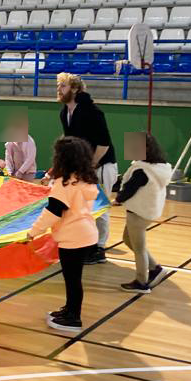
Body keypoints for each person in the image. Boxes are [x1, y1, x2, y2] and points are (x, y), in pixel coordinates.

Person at [28, 136, 100, 332]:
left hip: (73, 237)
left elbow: (53, 211)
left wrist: (33, 232)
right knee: (73, 278)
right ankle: (69, 310)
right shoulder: (85, 180)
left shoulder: (64, 183)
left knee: (72, 279)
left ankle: (73, 318)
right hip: (86, 234)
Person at [54, 73, 117, 265]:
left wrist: (91, 166)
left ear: (74, 89)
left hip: (102, 165)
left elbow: (104, 143)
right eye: (58, 85)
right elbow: (70, 142)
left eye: (63, 85)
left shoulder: (92, 111)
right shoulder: (65, 112)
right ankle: (85, 243)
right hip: (83, 167)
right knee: (82, 207)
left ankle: (99, 248)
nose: (59, 89)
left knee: (100, 207)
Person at [115, 132, 173, 293]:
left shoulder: (142, 170)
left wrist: (118, 199)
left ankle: (141, 282)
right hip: (147, 211)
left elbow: (130, 189)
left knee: (139, 248)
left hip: (138, 213)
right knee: (127, 240)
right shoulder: (159, 166)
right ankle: (155, 268)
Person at [4, 114, 37, 181]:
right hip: (14, 172)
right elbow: (8, 158)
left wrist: (20, 172)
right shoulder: (10, 142)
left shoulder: (30, 141)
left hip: (28, 173)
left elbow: (30, 158)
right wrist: (9, 171)